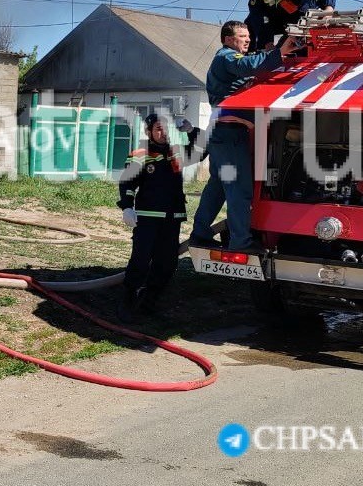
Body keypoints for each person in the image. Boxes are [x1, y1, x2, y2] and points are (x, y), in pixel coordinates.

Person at [189, 21, 298, 252]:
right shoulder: (227, 57)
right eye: (242, 36)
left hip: (222, 136)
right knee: (239, 189)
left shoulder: (229, 59)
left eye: (249, 36)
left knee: (218, 186)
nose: (248, 40)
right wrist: (279, 53)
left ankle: (200, 234)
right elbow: (248, 65)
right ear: (228, 39)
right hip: (229, 136)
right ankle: (241, 242)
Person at [116, 113, 200, 322]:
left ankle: (148, 302)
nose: (163, 133)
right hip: (147, 218)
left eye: (165, 129)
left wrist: (192, 131)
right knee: (141, 260)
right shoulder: (141, 154)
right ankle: (127, 301)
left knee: (167, 264)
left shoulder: (176, 154)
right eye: (158, 129)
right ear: (149, 132)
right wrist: (127, 207)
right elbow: (127, 183)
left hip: (172, 219)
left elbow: (202, 150)